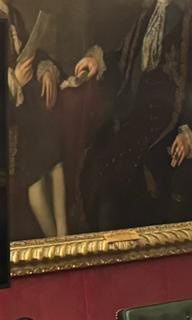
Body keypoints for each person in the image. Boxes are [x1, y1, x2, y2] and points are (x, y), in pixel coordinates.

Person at [74, 0, 192, 231]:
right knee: (97, 171)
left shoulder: (188, 16)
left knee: (121, 183)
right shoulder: (147, 13)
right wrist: (97, 60)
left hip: (168, 121)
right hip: (134, 113)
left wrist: (188, 131)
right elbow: (124, 56)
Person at [0, 0, 67, 238]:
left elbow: (33, 52)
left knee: (56, 158)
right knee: (36, 167)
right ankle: (53, 239)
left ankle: (65, 237)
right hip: (3, 113)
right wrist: (14, 82)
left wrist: (45, 69)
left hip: (24, 106)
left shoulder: (13, 12)